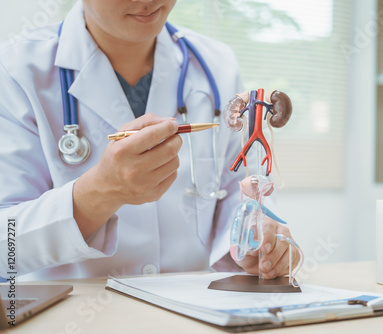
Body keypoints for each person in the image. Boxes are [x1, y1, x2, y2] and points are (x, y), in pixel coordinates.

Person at [0, 0, 298, 281]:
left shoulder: (216, 64)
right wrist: (99, 193)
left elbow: (238, 185)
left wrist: (253, 239)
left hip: (192, 309)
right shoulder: (16, 70)